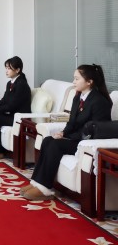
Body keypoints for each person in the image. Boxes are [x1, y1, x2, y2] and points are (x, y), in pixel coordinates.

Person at [21, 64, 113, 201]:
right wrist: (63, 133)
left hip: (86, 142)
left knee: (55, 145)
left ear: (89, 82)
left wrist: (68, 137)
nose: (73, 82)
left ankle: (44, 189)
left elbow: (94, 130)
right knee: (47, 140)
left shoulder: (100, 101)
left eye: (77, 79)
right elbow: (72, 122)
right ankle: (37, 182)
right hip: (75, 138)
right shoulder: (78, 97)